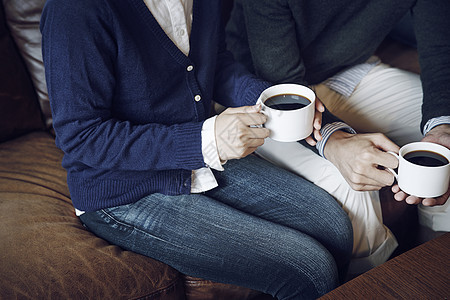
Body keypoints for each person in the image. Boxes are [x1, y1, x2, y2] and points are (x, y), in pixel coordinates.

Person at [40, 0, 354, 299]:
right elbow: (82, 136)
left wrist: (267, 99)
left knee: (335, 227)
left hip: (198, 154)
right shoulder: (74, 9)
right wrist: (207, 140)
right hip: (122, 191)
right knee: (310, 270)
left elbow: (213, 64)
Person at [226, 0, 450, 275]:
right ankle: (372, 283)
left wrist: (442, 129)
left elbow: (440, 48)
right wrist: (335, 139)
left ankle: (432, 258)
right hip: (262, 95)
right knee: (351, 188)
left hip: (351, 70)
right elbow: (280, 81)